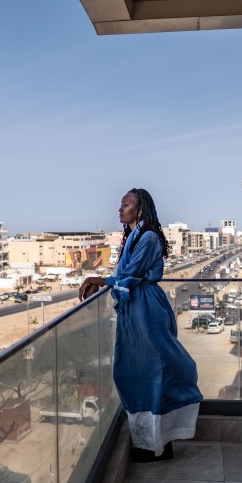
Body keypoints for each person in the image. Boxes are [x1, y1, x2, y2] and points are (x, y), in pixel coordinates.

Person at [79, 188, 202, 463]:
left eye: (126, 204)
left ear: (140, 209)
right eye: (120, 205)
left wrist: (100, 280)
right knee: (135, 370)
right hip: (135, 309)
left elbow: (129, 275)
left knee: (154, 368)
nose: (120, 209)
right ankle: (153, 441)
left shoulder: (147, 238)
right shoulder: (135, 237)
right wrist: (106, 280)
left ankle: (157, 444)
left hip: (145, 308)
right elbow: (124, 275)